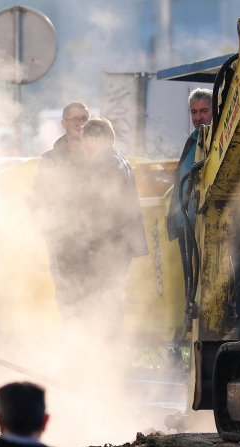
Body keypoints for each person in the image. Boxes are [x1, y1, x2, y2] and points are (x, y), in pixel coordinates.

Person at [76, 117, 148, 334]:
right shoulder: (118, 159)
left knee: (103, 300)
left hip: (109, 245)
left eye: (85, 140)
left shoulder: (105, 165)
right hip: (119, 244)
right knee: (110, 298)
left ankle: (107, 350)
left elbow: (102, 211)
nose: (83, 146)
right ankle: (111, 349)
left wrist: (89, 242)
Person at [31, 102, 92, 317]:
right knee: (67, 296)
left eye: (84, 118)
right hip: (62, 240)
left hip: (95, 239)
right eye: (74, 119)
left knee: (95, 296)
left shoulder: (99, 156)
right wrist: (48, 232)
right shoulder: (51, 160)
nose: (80, 123)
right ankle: (71, 340)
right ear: (64, 123)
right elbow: (38, 199)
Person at [166, 88, 213, 304]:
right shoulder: (193, 139)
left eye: (203, 111)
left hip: (208, 225)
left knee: (210, 286)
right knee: (191, 289)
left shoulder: (217, 140)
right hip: (186, 224)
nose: (198, 117)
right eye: (193, 112)